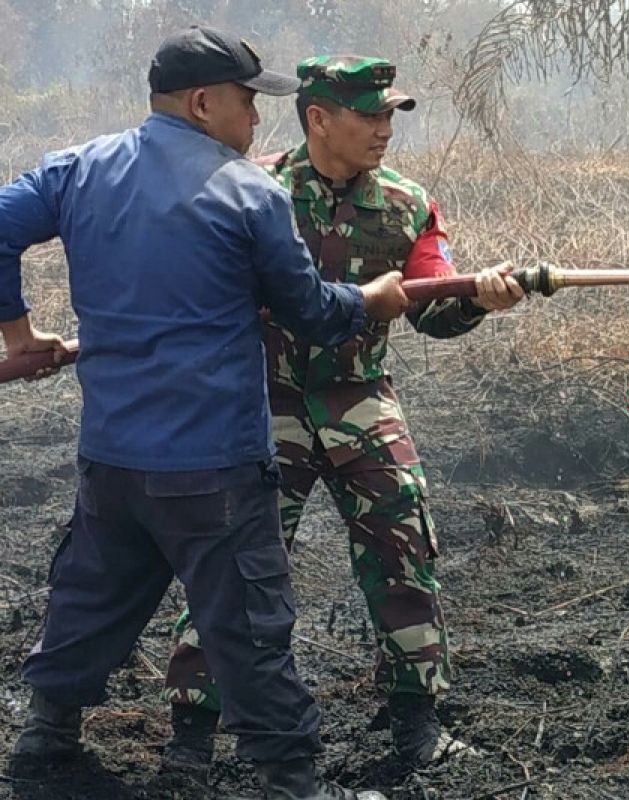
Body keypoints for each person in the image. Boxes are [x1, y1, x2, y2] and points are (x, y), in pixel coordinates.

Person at [0, 26, 409, 800]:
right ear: (202, 102)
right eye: (248, 103)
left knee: (90, 601)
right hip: (213, 470)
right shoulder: (250, 191)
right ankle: (293, 783)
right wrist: (370, 300)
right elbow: (311, 313)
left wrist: (16, 333)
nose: (257, 120)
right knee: (251, 628)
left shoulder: (80, 169)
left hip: (113, 461)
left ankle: (42, 749)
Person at [160, 54, 524, 776]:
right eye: (370, 114)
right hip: (261, 399)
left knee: (405, 534)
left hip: (358, 394)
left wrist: (478, 299)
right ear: (319, 118)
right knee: (233, 559)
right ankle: (192, 734)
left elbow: (432, 306)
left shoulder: (406, 204)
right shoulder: (250, 189)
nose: (385, 129)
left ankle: (416, 720)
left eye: (391, 114)